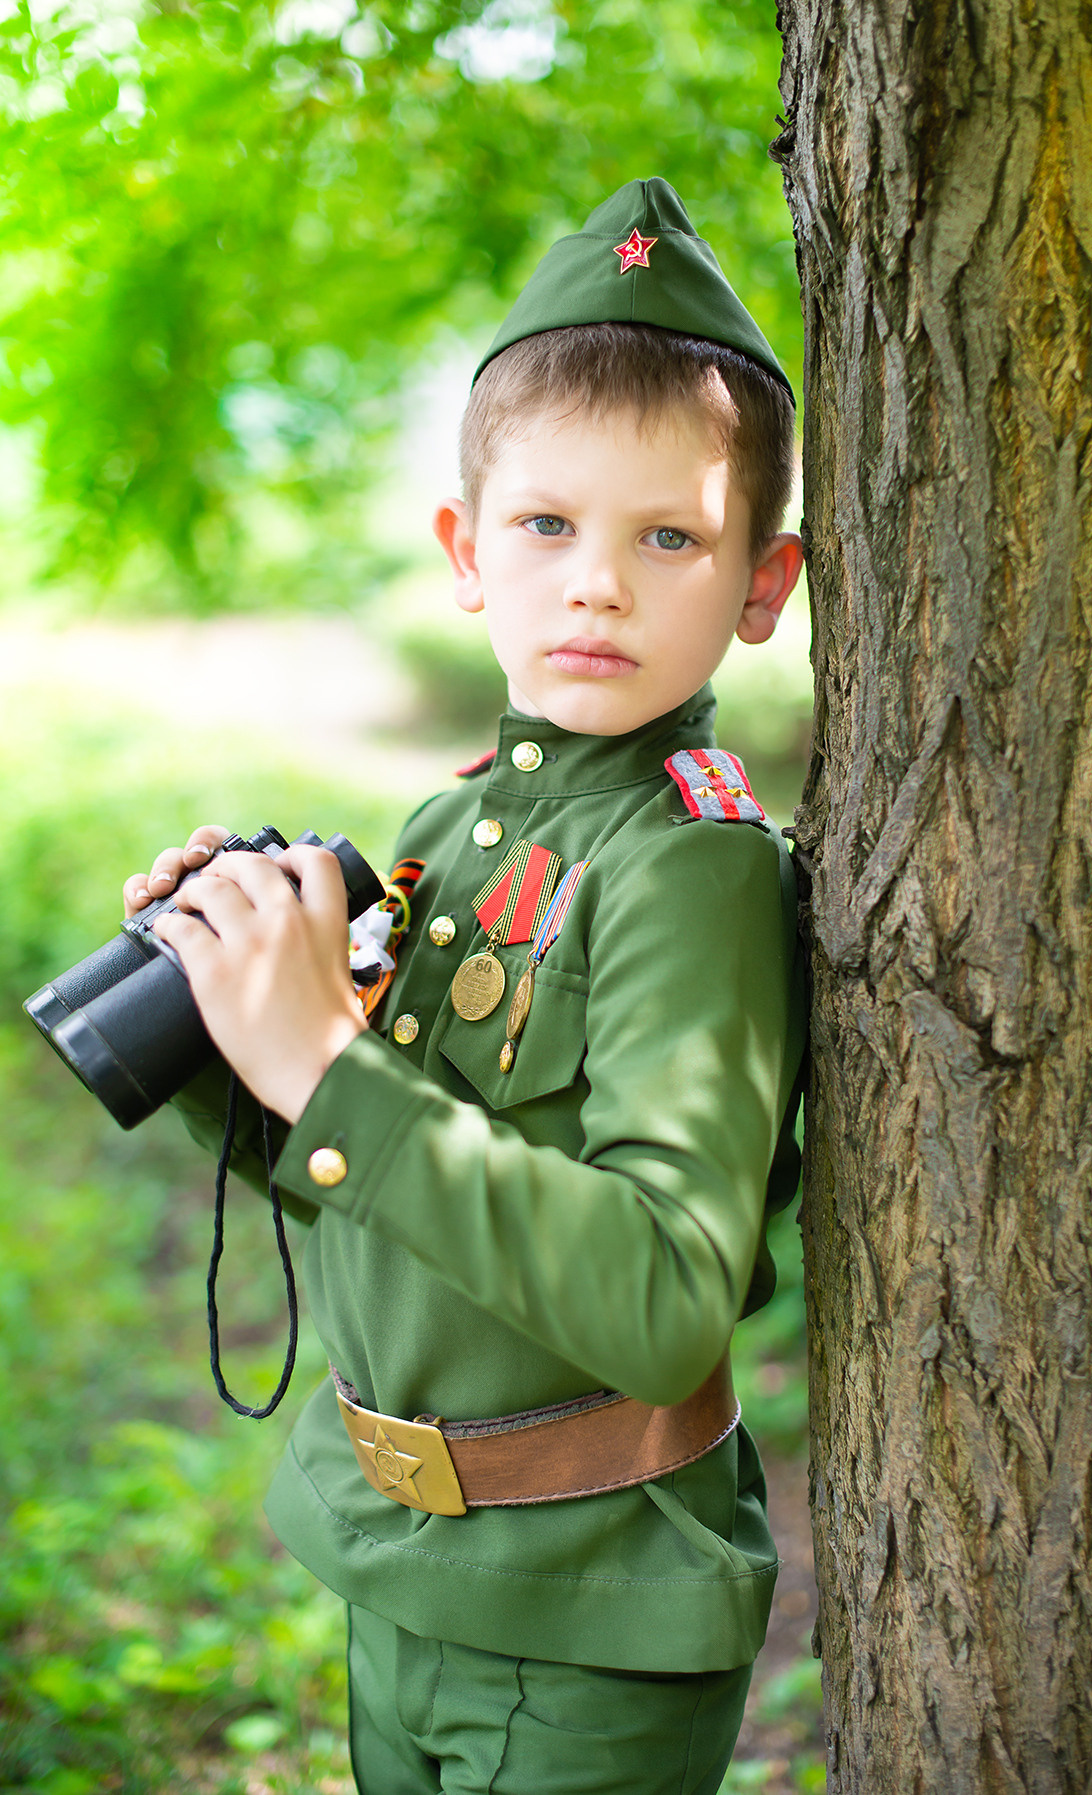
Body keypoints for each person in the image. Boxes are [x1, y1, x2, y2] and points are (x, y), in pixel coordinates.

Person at [124, 178, 806, 1795]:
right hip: (399, 1569)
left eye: (668, 538)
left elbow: (659, 1299)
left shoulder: (689, 867)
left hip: (586, 1622)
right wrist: (237, 1033)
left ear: (760, 589)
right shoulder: (450, 825)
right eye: (547, 525)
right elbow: (382, 1191)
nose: (596, 585)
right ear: (464, 549)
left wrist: (329, 1072)